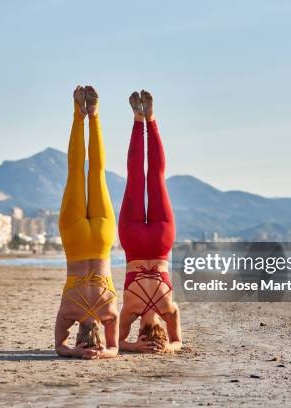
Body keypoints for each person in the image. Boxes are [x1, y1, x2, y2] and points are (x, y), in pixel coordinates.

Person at [54, 85, 119, 359]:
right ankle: (79, 114)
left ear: (99, 335)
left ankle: (94, 116)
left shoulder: (109, 310)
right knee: (76, 173)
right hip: (76, 239)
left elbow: (115, 349)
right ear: (78, 333)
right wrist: (73, 352)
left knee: (98, 173)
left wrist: (103, 353)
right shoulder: (69, 310)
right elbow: (59, 347)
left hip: (102, 240)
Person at [118, 90, 182, 353]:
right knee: (136, 177)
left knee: (155, 176)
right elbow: (117, 344)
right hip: (134, 242)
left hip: (160, 242)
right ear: (139, 330)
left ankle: (149, 119)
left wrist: (168, 347)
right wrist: (135, 347)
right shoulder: (130, 311)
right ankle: (138, 118)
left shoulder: (169, 310)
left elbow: (178, 342)